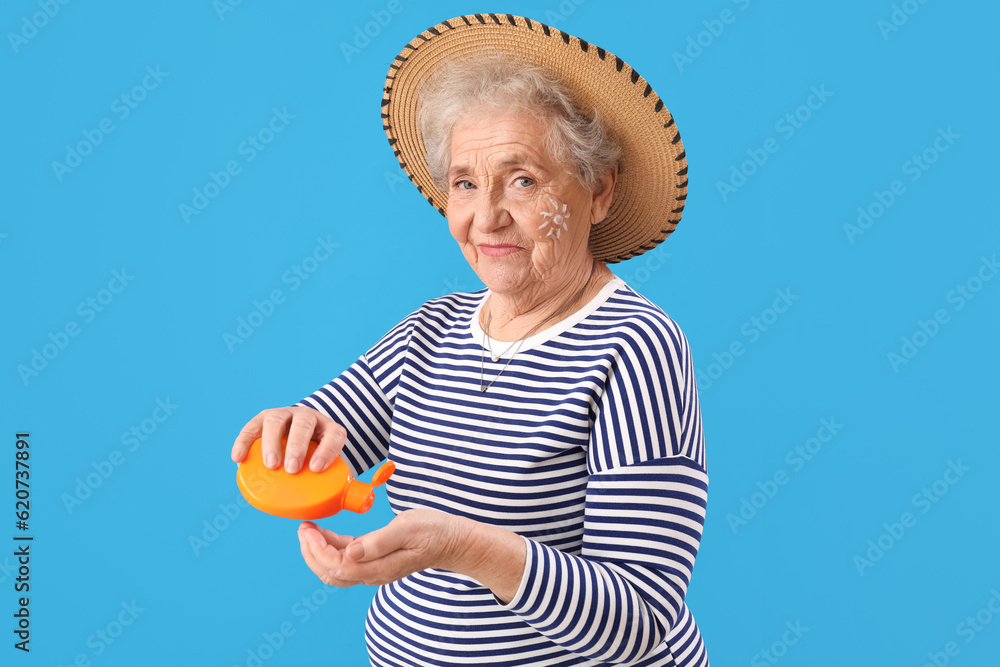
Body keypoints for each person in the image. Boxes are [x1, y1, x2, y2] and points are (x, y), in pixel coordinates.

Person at [231, 14, 709, 667]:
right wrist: (292, 431)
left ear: (599, 189)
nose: (486, 217)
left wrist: (461, 546)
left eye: (523, 179)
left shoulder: (635, 346)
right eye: (464, 182)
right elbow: (324, 438)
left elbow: (639, 619)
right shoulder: (430, 329)